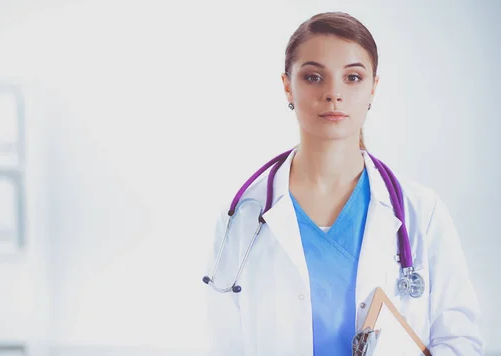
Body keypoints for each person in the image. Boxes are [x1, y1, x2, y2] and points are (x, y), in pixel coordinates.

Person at [204, 11, 484, 355]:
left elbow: (459, 340)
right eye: (313, 77)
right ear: (287, 86)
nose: (333, 93)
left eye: (352, 77)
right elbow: (224, 343)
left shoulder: (421, 212)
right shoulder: (242, 217)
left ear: (373, 89)